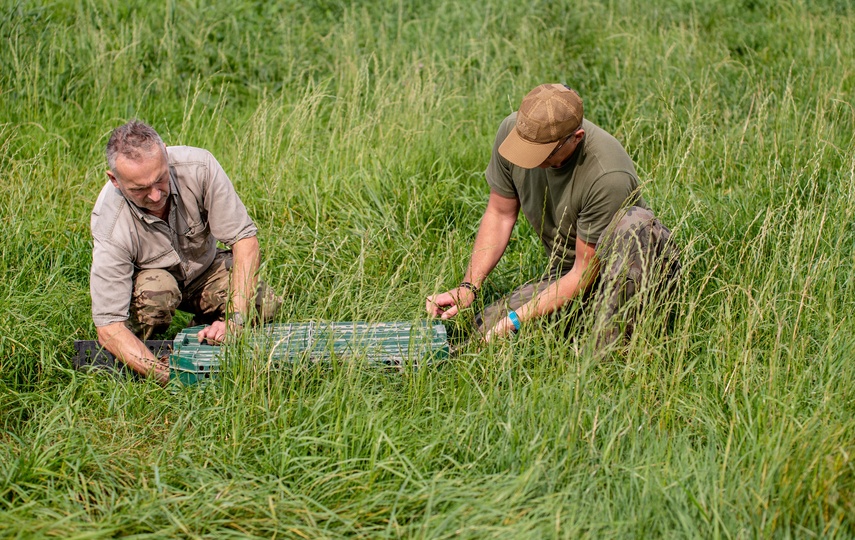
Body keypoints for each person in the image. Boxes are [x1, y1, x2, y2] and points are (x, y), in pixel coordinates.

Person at [426, 84, 679, 345]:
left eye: (540, 152)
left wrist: (516, 320)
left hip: (618, 275)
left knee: (600, 356)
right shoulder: (514, 131)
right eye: (524, 147)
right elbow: (500, 214)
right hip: (566, 275)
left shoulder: (607, 175)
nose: (526, 159)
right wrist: (469, 287)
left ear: (576, 138)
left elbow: (585, 273)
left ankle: (619, 348)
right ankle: (575, 325)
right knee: (477, 337)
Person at [90, 121, 280, 383]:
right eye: (140, 189)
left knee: (263, 302)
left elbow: (245, 240)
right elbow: (108, 326)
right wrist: (168, 376)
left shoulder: (200, 167)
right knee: (158, 293)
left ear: (166, 155)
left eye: (160, 179)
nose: (156, 196)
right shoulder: (110, 222)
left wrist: (235, 323)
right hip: (152, 287)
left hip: (203, 270)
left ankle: (203, 334)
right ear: (115, 181)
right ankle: (149, 351)